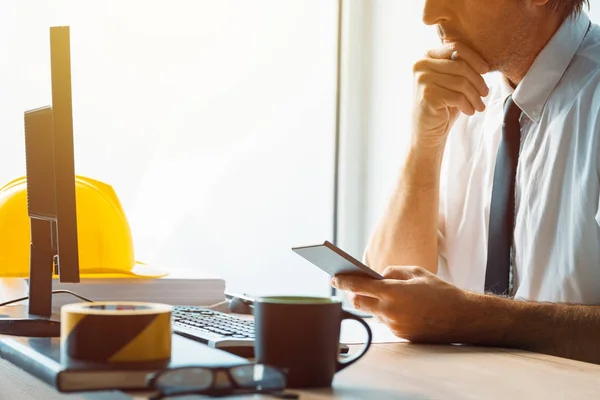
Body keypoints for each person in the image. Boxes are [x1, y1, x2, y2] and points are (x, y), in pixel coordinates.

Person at [331, 0, 600, 365]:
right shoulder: (463, 97)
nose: (428, 15)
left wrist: (471, 318)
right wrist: (423, 146)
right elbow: (390, 290)